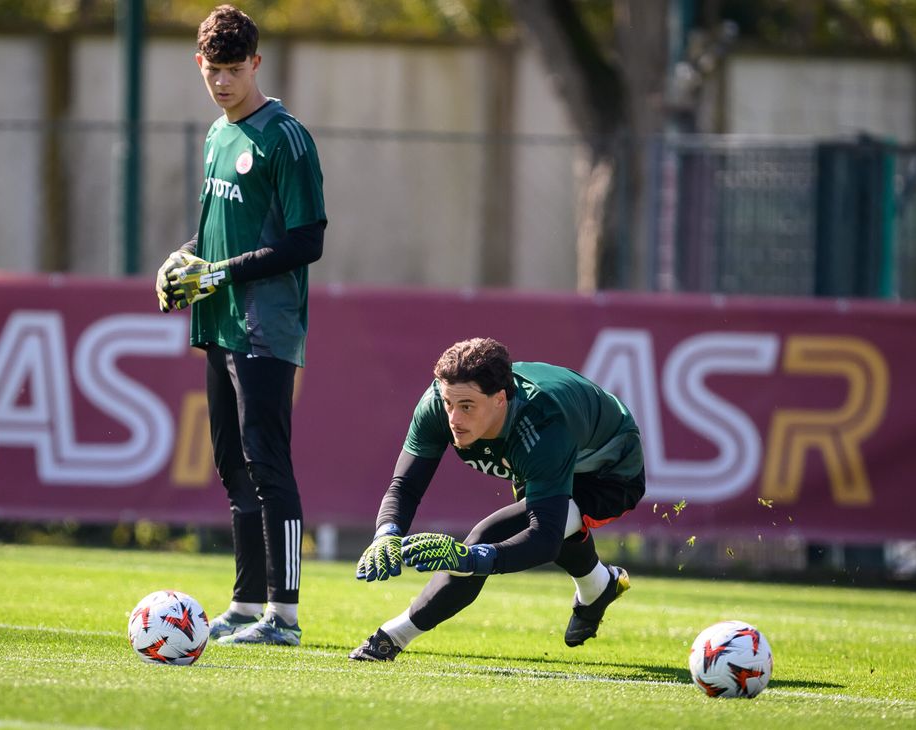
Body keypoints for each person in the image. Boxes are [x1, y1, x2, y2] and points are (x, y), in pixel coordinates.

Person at [156, 4, 326, 647]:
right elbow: (212, 233)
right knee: (231, 463)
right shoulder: (215, 136)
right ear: (199, 64)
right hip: (220, 323)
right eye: (213, 70)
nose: (223, 82)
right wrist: (182, 262)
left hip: (266, 328)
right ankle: (246, 600)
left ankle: (283, 616)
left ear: (256, 63)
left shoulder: (286, 137)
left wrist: (219, 271)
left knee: (267, 462)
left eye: (235, 69)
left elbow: (307, 241)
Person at [349, 337, 645, 661]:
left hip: (610, 470)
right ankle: (598, 586)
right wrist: (386, 534)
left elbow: (544, 538)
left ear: (500, 399)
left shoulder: (542, 426)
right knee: (555, 521)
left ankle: (392, 637)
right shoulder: (438, 402)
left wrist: (470, 559)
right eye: (449, 403)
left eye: (466, 407)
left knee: (489, 537)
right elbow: (404, 486)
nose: (454, 419)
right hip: (557, 450)